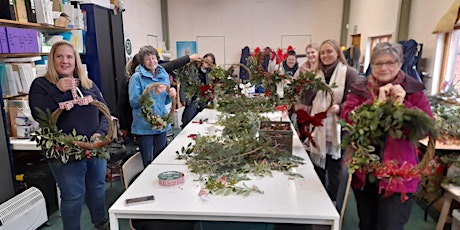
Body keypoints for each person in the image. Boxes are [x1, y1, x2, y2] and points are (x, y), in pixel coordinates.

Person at [340, 42, 433, 230]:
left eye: (390, 63)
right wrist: (375, 105)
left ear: (400, 63)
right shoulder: (360, 88)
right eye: (378, 63)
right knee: (367, 223)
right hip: (365, 171)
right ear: (371, 65)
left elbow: (425, 128)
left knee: (390, 225)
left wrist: (402, 106)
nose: (384, 68)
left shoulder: (413, 89)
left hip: (398, 173)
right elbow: (348, 119)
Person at [28, 40, 109, 230]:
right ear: (52, 60)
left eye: (69, 57)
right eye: (60, 56)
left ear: (76, 61)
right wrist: (57, 91)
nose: (65, 61)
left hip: (94, 148)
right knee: (73, 196)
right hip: (64, 152)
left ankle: (101, 224)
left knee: (97, 189)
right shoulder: (42, 85)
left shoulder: (88, 83)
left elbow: (104, 112)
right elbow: (40, 115)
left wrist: (100, 133)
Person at [301, 39, 358, 202]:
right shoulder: (314, 73)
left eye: (329, 52)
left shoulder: (349, 73)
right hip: (318, 125)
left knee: (335, 167)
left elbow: (356, 101)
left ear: (337, 53)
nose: (325, 55)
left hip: (338, 128)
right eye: (323, 52)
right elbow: (306, 100)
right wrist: (308, 86)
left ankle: (333, 201)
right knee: (317, 164)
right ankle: (317, 199)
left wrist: (340, 107)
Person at [117, 52, 200, 142]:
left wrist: (188, 58)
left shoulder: (155, 72)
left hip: (156, 119)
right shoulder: (132, 80)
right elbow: (124, 104)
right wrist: (124, 126)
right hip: (137, 121)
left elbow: (171, 65)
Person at [128, 45, 177, 167]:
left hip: (161, 123)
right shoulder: (136, 78)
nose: (151, 61)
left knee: (161, 158)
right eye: (147, 59)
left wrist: (170, 95)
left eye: (153, 58)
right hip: (144, 127)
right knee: (148, 162)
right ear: (143, 62)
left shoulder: (163, 75)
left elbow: (164, 102)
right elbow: (134, 102)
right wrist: (153, 94)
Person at [179, 53, 216, 128]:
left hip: (204, 99)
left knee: (203, 120)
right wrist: (182, 98)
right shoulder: (192, 68)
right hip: (192, 98)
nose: (208, 63)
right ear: (203, 60)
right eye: (207, 60)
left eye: (210, 62)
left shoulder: (211, 73)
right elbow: (184, 83)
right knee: (188, 119)